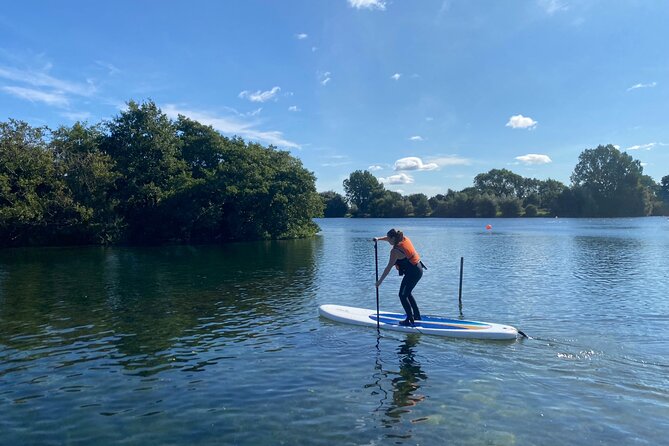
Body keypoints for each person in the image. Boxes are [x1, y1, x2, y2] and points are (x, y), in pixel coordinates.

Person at [374, 229, 425, 326]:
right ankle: (417, 316)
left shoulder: (395, 251)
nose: (388, 241)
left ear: (393, 238)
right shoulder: (404, 238)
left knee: (402, 295)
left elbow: (388, 268)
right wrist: (378, 239)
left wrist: (380, 281)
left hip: (413, 273)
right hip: (418, 269)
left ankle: (409, 319)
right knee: (407, 293)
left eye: (389, 239)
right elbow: (388, 238)